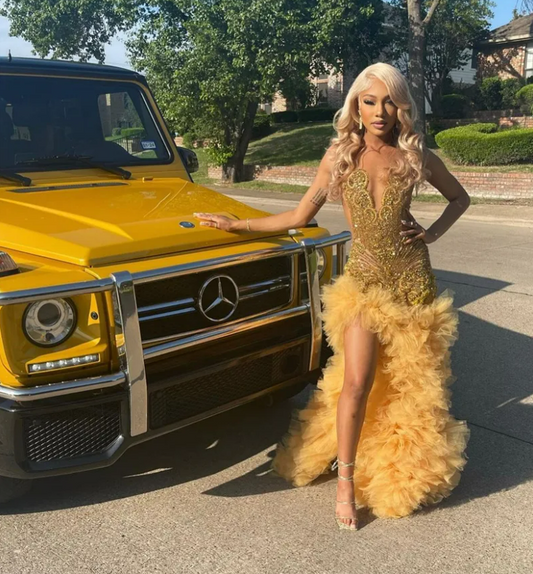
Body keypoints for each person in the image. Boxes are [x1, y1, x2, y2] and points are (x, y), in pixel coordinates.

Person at [194, 62, 471, 531]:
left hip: (412, 283)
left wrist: (432, 233)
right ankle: (345, 483)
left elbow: (459, 198)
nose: (379, 112)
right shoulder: (340, 156)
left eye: (389, 102)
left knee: (411, 386)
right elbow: (299, 215)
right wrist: (237, 224)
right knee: (356, 381)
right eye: (369, 101)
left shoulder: (415, 155)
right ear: (355, 106)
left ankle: (399, 467)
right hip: (364, 283)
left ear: (401, 107)